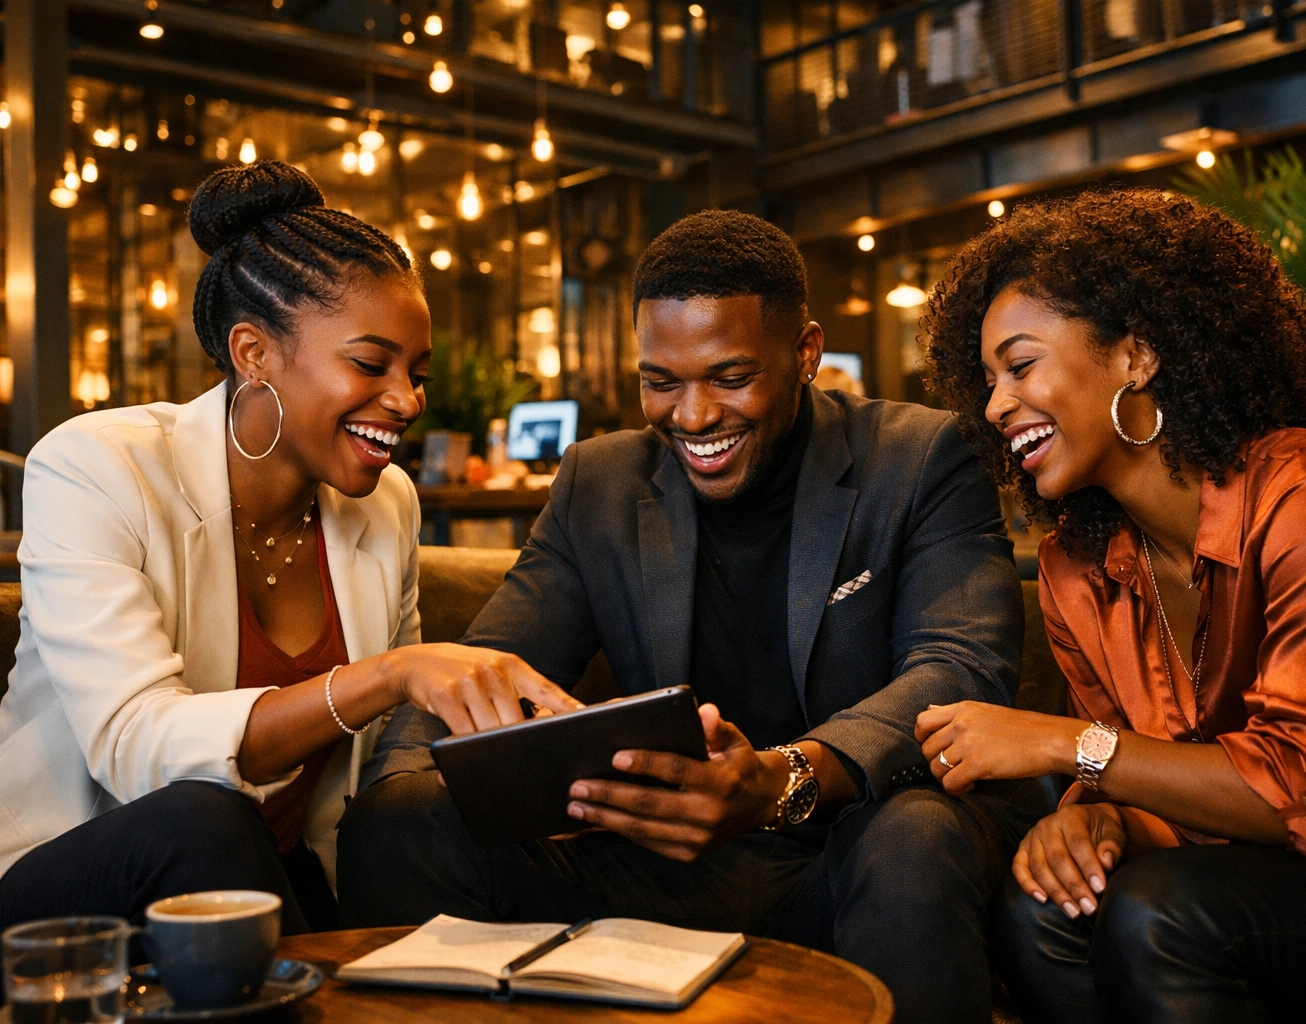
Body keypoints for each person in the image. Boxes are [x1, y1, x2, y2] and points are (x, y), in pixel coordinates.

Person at [338, 210, 1039, 1024]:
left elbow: (958, 667)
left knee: (916, 837)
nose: (693, 416)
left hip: (847, 850)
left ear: (806, 354)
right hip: (658, 857)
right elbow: (487, 663)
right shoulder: (599, 481)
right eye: (660, 382)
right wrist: (407, 787)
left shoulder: (920, 458)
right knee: (399, 818)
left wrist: (782, 778)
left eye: (730, 377)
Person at [918, 188, 1306, 1023]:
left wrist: (1069, 748)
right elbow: (1155, 783)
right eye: (987, 381)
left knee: (1163, 912)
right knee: (1045, 909)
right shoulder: (1077, 569)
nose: (994, 407)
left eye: (1020, 367)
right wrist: (1102, 823)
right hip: (1305, 867)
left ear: (1137, 357)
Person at [0, 161, 575, 935]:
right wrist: (392, 674)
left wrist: (555, 764)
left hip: (283, 875)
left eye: (417, 373)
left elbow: (378, 764)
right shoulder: (97, 465)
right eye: (371, 364)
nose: (407, 400)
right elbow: (136, 748)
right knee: (204, 820)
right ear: (253, 354)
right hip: (77, 877)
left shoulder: (386, 504)